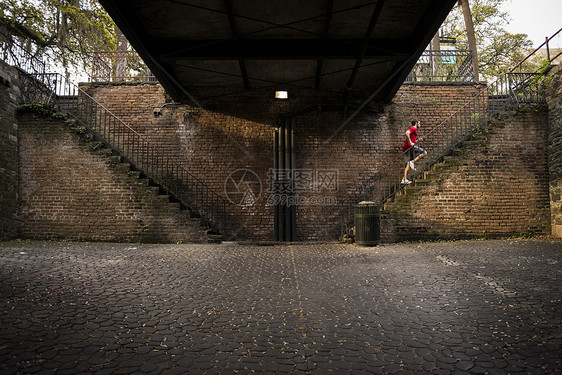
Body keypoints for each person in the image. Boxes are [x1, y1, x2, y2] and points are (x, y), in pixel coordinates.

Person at [401, 120, 427, 184]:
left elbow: (412, 140)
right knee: (424, 153)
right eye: (419, 123)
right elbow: (407, 133)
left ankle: (404, 179)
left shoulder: (414, 130)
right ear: (416, 123)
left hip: (408, 147)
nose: (420, 124)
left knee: (408, 163)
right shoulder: (413, 128)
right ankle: (412, 162)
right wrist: (410, 142)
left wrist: (418, 140)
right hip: (410, 147)